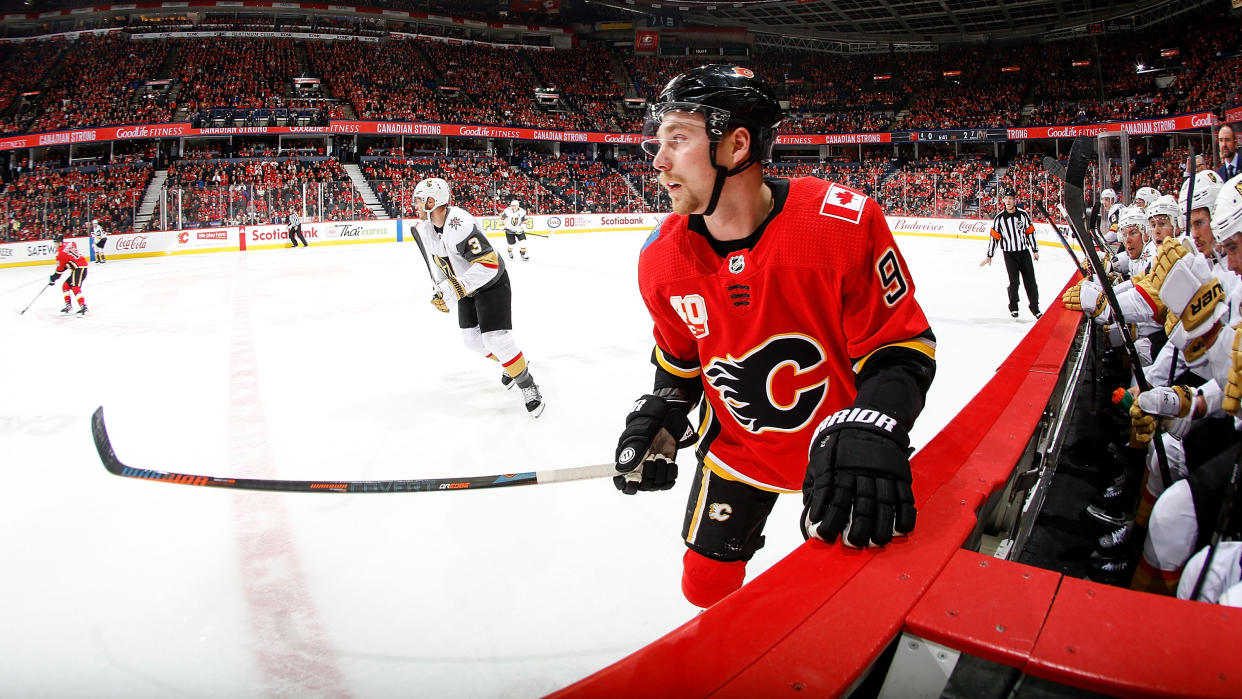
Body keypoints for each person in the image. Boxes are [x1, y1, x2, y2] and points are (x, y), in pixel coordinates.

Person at [615, 64, 936, 609]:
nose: (658, 159)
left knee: (849, 600)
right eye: (658, 139)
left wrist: (875, 425)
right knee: (705, 586)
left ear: (737, 145)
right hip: (738, 454)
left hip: (839, 451)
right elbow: (679, 362)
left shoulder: (842, 223)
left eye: (679, 139)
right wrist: (665, 413)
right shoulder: (659, 260)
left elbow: (901, 347)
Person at [411, 177, 545, 417]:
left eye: (421, 200)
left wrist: (455, 288)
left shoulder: (459, 224)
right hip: (465, 286)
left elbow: (489, 265)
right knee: (472, 340)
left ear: (434, 201)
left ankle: (527, 383)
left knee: (496, 339)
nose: (416, 205)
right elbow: (439, 264)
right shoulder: (425, 228)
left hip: (491, 283)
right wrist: (442, 288)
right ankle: (512, 364)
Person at [980, 187, 1041, 318]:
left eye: (1011, 198)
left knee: (1031, 281)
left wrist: (1035, 250)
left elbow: (1030, 232)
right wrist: (989, 255)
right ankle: (1013, 306)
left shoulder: (1023, 215)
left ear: (1015, 200)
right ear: (1003, 200)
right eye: (1006, 198)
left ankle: (1035, 307)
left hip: (1024, 253)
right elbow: (994, 238)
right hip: (1009, 255)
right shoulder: (999, 218)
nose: (1008, 201)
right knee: (1014, 283)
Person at [48, 231, 88, 315]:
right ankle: (68, 305)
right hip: (78, 267)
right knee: (65, 286)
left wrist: (52, 278)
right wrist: (69, 264)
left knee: (75, 287)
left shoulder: (60, 254)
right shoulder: (67, 243)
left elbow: (58, 273)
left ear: (59, 243)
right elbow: (74, 245)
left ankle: (83, 307)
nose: (54, 246)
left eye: (55, 244)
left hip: (79, 268)